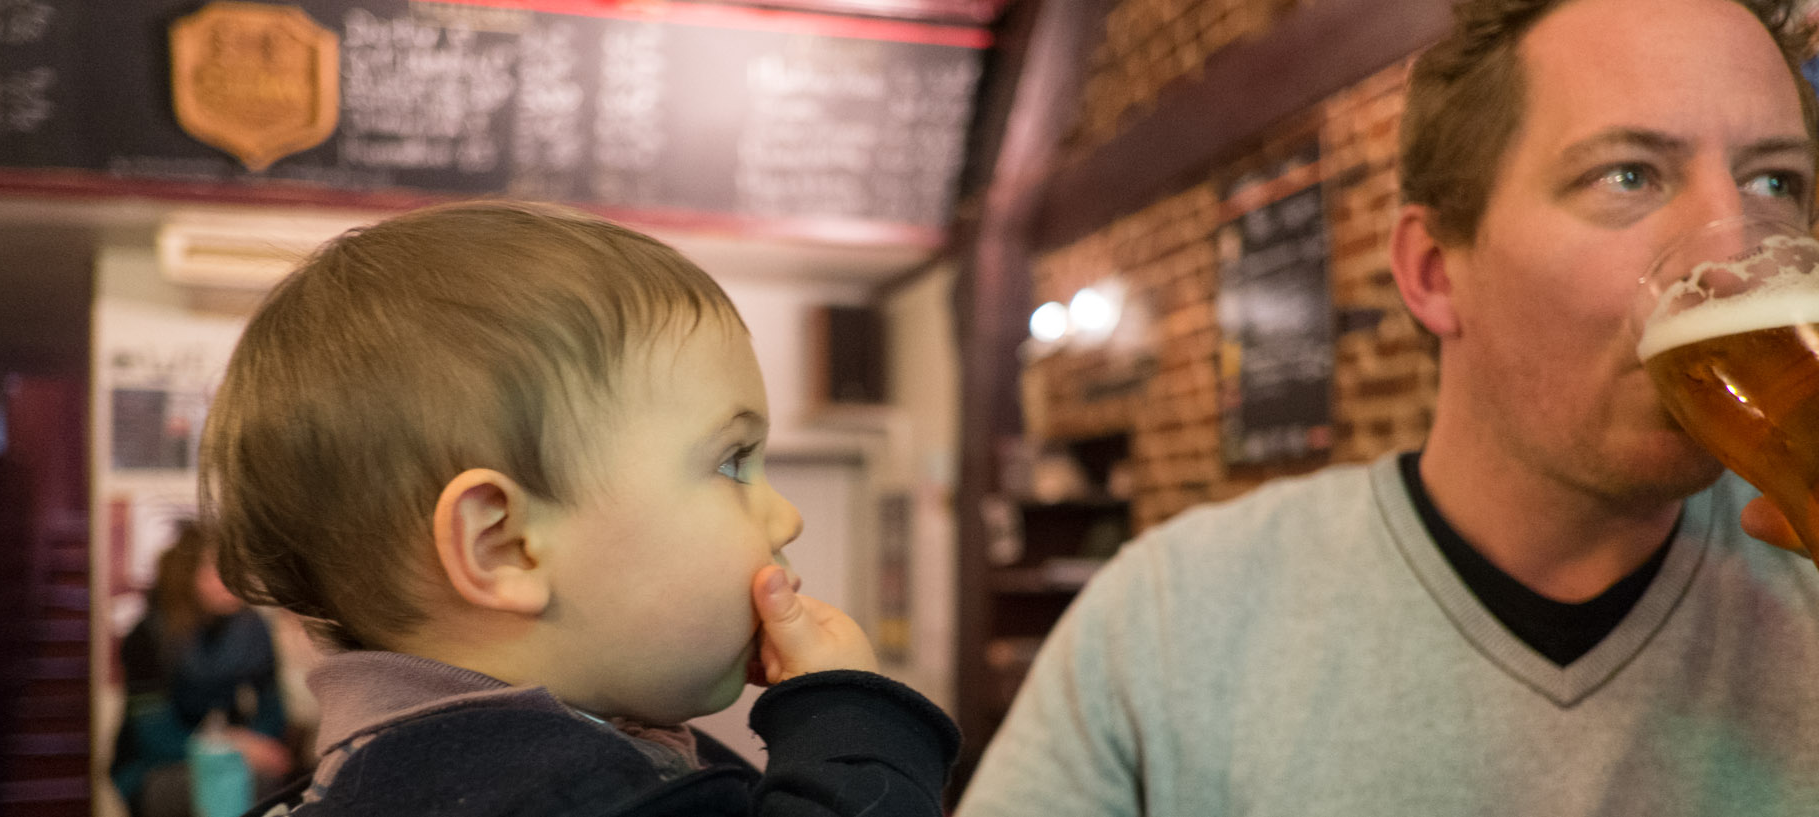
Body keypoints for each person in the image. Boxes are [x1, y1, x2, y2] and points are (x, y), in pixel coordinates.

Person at [956, 0, 1819, 814]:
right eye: (1628, 174)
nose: (1739, 252)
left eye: (1776, 183)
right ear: (1435, 271)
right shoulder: (1170, 622)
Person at [197, 201, 959, 816]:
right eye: (732, 461)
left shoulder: (394, 771)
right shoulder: (539, 791)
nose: (785, 516)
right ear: (506, 545)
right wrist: (855, 728)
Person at [111, 523, 294, 817]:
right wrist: (234, 747)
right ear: (188, 574)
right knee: (239, 786)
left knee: (279, 782)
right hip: (156, 765)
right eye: (217, 568)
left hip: (230, 754)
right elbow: (153, 736)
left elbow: (273, 710)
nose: (234, 578)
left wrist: (256, 745)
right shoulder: (148, 635)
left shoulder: (253, 629)